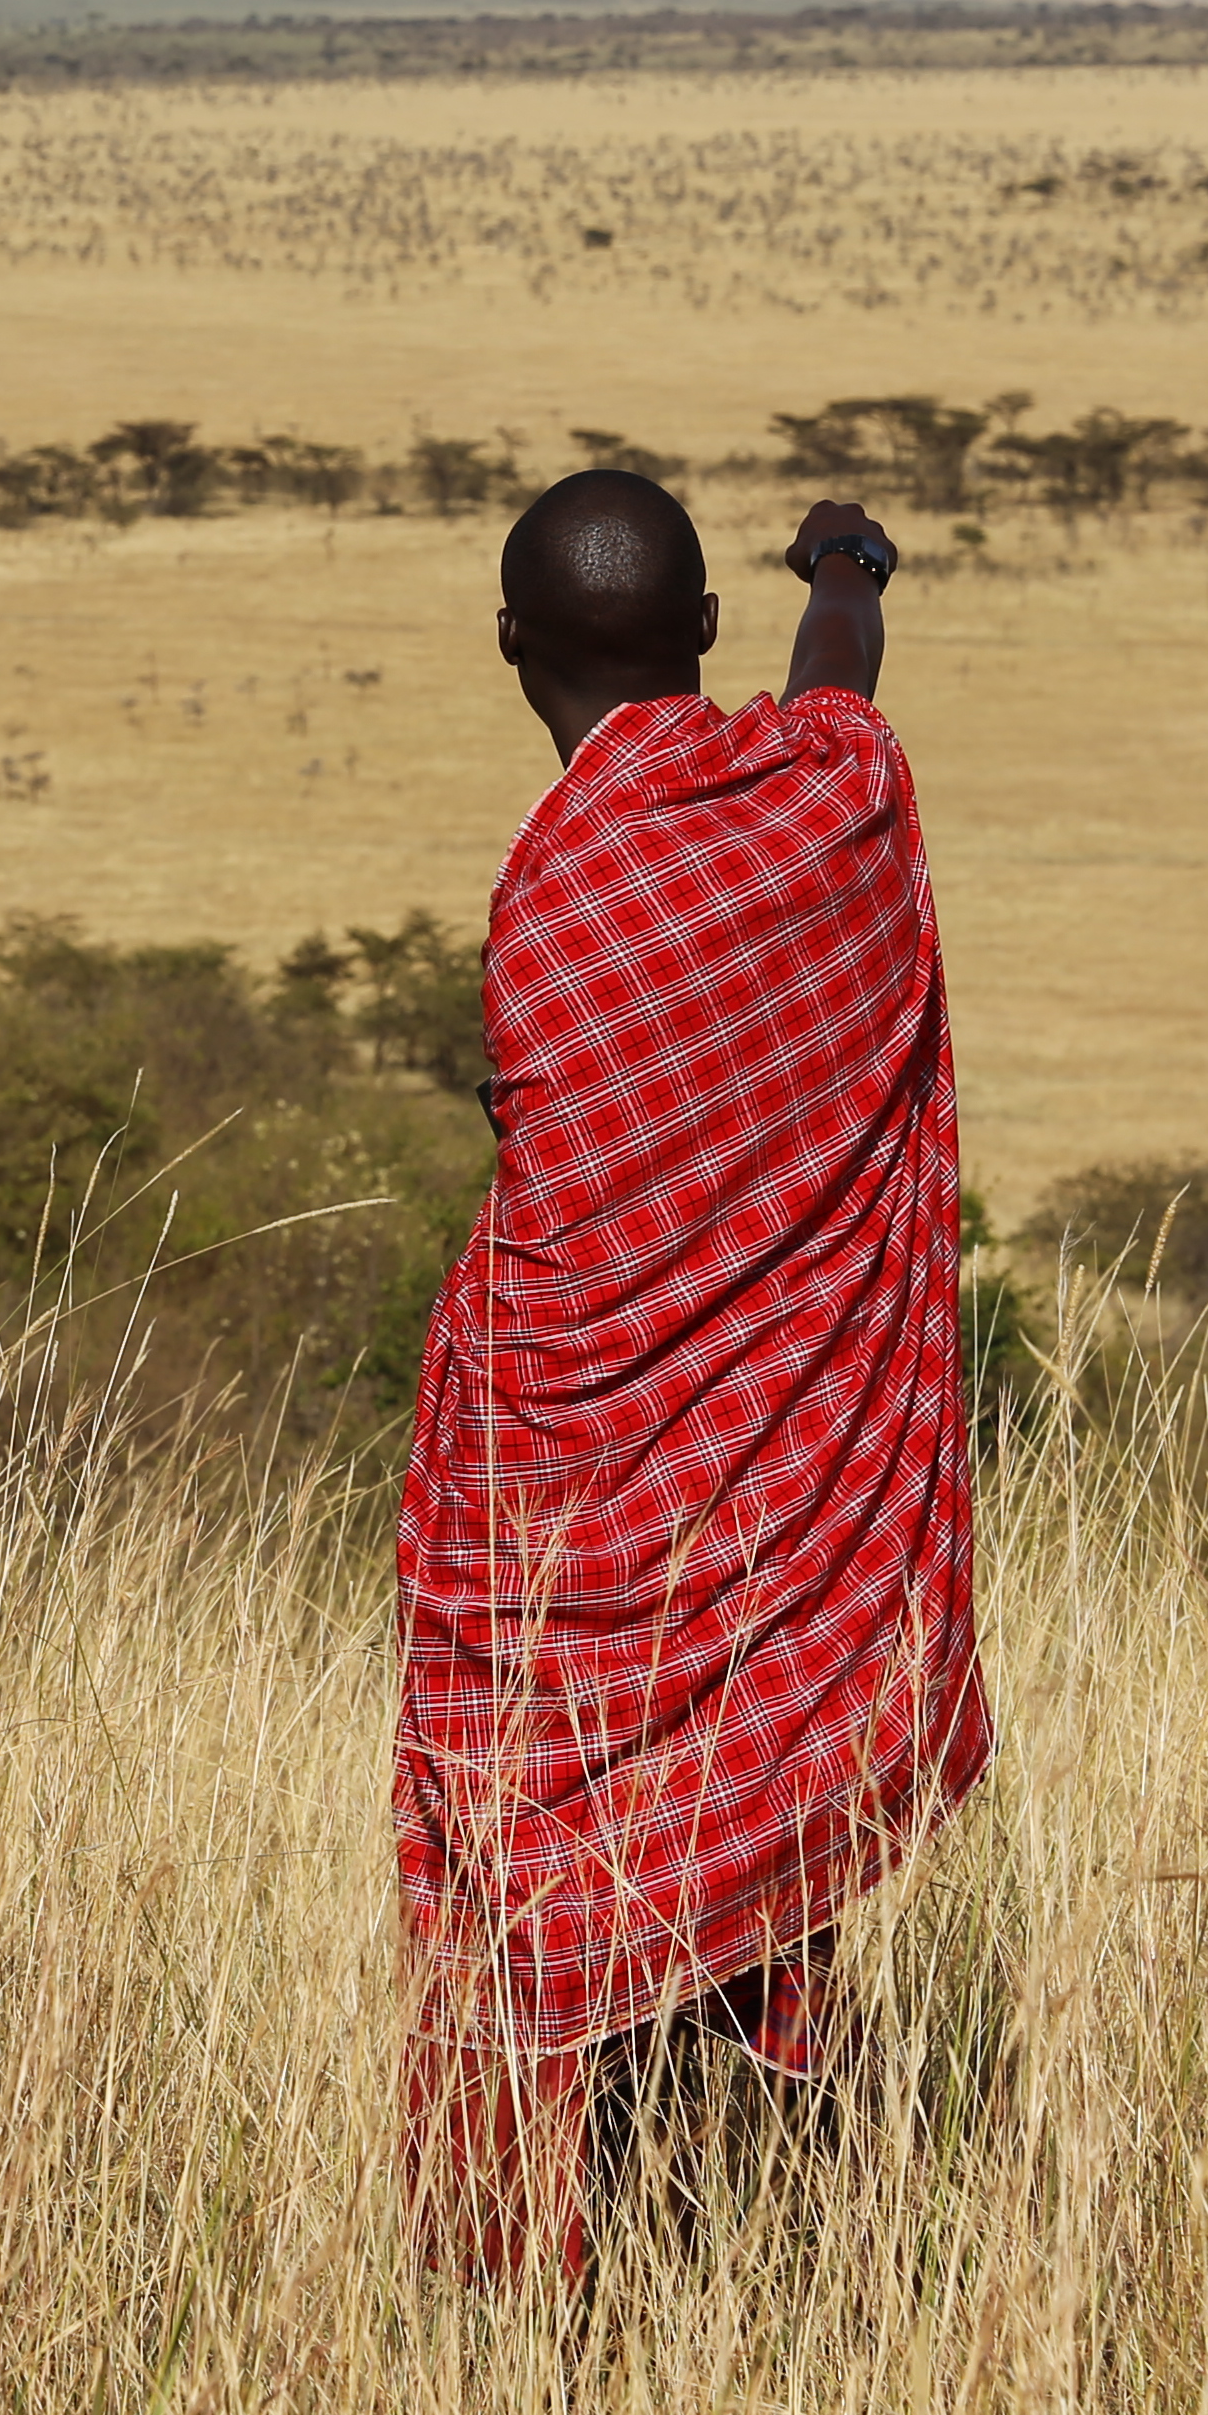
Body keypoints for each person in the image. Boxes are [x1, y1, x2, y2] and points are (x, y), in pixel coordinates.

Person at [395, 470, 990, 2283]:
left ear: (510, 648)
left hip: (572, 1512)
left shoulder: (560, 902)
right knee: (744, 1860)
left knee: (569, 1878)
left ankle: (559, 2300)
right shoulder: (824, 797)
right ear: (706, 632)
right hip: (780, 1482)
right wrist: (847, 556)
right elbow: (847, 673)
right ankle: (771, 2257)